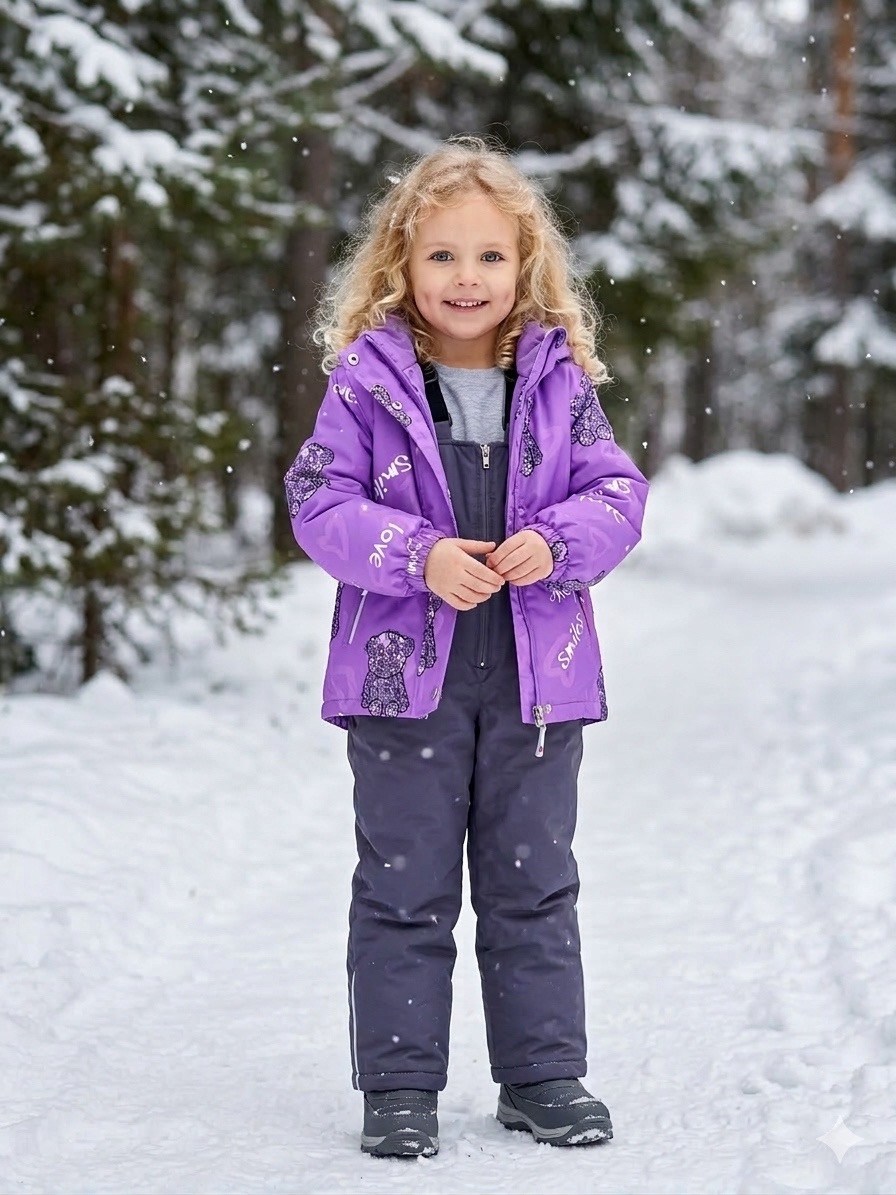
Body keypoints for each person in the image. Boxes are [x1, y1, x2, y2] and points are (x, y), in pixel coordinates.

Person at [285, 136, 648, 1158]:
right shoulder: (367, 380)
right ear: (400, 264)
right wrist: (413, 554)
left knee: (532, 879)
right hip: (403, 683)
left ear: (524, 266)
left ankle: (541, 1075)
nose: (465, 278)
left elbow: (615, 493)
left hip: (539, 681)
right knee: (403, 881)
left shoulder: (556, 378)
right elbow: (318, 502)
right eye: (442, 256)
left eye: (488, 257)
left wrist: (559, 541)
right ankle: (398, 1085)